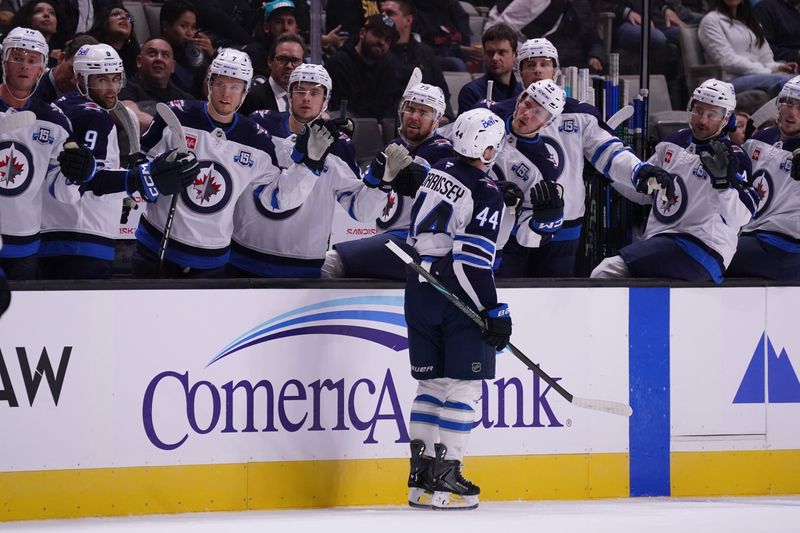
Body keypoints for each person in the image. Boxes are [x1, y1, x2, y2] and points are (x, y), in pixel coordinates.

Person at [131, 48, 335, 278]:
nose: (226, 93)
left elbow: (279, 198)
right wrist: (153, 177)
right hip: (154, 246)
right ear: (209, 83)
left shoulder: (257, 140)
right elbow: (139, 164)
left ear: (245, 91)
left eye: (235, 86)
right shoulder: (177, 114)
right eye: (220, 83)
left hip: (211, 260)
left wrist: (309, 165)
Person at [482, 38, 674, 277]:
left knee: (554, 303)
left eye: (545, 63)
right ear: (520, 72)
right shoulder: (497, 113)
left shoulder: (581, 114)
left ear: (556, 70)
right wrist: (490, 188)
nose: (538, 70)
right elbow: (473, 161)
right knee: (506, 297)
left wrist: (638, 171)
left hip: (564, 227)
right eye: (530, 65)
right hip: (507, 225)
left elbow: (610, 152)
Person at [403, 107, 509, 511]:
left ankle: (422, 479)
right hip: (454, 293)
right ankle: (448, 479)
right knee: (463, 387)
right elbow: (472, 263)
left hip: (418, 287)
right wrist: (493, 310)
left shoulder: (440, 166)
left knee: (430, 386)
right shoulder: (485, 191)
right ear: (484, 148)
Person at [591, 79, 760, 282]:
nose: (703, 121)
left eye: (712, 114)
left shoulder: (734, 157)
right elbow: (644, 192)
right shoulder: (672, 142)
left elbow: (741, 218)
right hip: (662, 244)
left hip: (702, 249)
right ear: (690, 107)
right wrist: (608, 174)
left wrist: (723, 184)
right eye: (698, 110)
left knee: (607, 271)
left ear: (726, 119)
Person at [229, 63, 388, 277]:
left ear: (325, 101)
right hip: (244, 256)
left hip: (302, 266)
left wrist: (381, 184)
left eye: (315, 92)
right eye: (300, 90)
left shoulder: (339, 146)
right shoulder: (261, 125)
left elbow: (359, 209)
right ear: (288, 94)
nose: (306, 97)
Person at [322, 82, 454, 280]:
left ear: (436, 121)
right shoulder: (396, 145)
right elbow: (366, 193)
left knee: (330, 263)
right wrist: (343, 146)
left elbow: (419, 174)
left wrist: (402, 168)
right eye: (410, 108)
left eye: (424, 112)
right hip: (389, 241)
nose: (414, 117)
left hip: (414, 246)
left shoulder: (441, 150)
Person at [37, 44, 131, 279]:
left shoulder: (61, 107)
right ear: (81, 79)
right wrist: (142, 178)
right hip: (83, 238)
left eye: (115, 79)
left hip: (52, 233)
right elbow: (90, 180)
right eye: (101, 80)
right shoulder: (95, 116)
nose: (112, 89)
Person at [0, 28, 72, 279]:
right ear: (4, 61)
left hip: (25, 243)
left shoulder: (55, 121)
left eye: (33, 60)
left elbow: (62, 190)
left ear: (42, 68)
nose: (25, 66)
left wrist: (76, 174)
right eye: (18, 57)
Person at [727, 76, 800, 280]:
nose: (791, 112)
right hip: (752, 236)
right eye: (788, 102)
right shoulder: (762, 138)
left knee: (709, 256)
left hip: (787, 247)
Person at [699, 0, 798, 98]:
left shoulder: (750, 22)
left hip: (758, 75)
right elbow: (727, 61)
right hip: (729, 80)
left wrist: (778, 67)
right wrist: (767, 71)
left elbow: (765, 58)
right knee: (788, 84)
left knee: (796, 81)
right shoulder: (711, 20)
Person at [380, 0, 454, 120]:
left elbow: (442, 91)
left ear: (408, 20)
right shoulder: (378, 52)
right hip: (391, 122)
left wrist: (445, 116)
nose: (383, 17)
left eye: (390, 13)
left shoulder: (425, 53)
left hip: (426, 122)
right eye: (381, 12)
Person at [324, 13, 400, 120]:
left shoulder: (388, 69)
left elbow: (389, 109)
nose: (382, 42)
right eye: (377, 34)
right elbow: (337, 109)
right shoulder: (339, 63)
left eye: (387, 40)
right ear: (362, 33)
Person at [118, 38, 193, 133]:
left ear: (173, 66)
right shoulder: (124, 88)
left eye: (165, 55)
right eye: (152, 54)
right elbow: (127, 114)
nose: (159, 59)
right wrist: (172, 132)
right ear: (139, 61)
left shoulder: (185, 99)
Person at [457, 23, 522, 115]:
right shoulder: (471, 92)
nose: (495, 58)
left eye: (502, 52)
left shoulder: (523, 93)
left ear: (515, 55)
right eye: (490, 53)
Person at [159, 0, 215, 98]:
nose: (190, 33)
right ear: (165, 26)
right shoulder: (157, 52)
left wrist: (211, 54)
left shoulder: (192, 49)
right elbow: (186, 85)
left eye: (193, 27)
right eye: (183, 26)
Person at [239, 33, 305, 116]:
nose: (289, 66)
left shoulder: (307, 99)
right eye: (282, 59)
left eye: (295, 61)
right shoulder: (250, 98)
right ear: (270, 61)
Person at [33, 34, 99, 103]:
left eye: (82, 77)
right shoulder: (31, 89)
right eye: (72, 71)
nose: (74, 81)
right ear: (61, 58)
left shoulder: (91, 100)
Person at [9, 0, 70, 67]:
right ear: (27, 19)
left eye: (52, 13)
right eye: (38, 11)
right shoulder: (13, 48)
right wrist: (50, 61)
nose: (46, 15)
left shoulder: (64, 53)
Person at [87, 5, 140, 79]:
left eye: (128, 17)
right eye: (115, 14)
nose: (124, 17)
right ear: (104, 22)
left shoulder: (134, 56)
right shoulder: (90, 50)